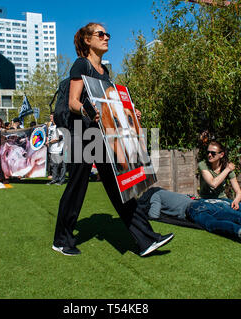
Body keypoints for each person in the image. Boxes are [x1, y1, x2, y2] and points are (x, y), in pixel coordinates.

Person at [52, 22, 173, 257]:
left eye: (107, 33)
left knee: (122, 186)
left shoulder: (105, 72)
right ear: (88, 40)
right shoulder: (81, 64)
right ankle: (61, 239)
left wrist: (130, 114)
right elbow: (73, 102)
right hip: (82, 135)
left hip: (102, 135)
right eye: (101, 34)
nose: (106, 37)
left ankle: (146, 239)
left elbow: (110, 103)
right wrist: (89, 111)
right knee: (77, 187)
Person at [138, 187, 241, 252]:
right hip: (211, 203)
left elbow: (153, 214)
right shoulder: (169, 192)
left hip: (195, 208)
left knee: (211, 224)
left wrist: (146, 210)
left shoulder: (155, 194)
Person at [198, 140, 241, 210]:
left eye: (213, 153)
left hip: (222, 200)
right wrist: (227, 170)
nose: (209, 155)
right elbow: (213, 184)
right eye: (208, 152)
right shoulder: (203, 165)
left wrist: (236, 201)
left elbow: (239, 192)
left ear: (221, 155)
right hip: (206, 200)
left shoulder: (226, 167)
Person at [46, 112, 66, 185]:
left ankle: (61, 180)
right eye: (50, 116)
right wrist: (47, 141)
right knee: (53, 165)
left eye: (52, 117)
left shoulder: (59, 126)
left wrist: (50, 142)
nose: (51, 118)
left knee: (60, 166)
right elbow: (49, 136)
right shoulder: (50, 126)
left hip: (59, 148)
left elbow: (60, 138)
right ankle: (54, 179)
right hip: (52, 149)